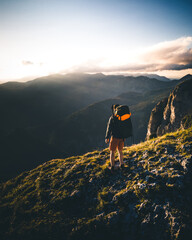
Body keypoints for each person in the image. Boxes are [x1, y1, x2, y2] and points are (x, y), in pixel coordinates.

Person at [105, 104, 132, 172]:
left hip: (114, 137)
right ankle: (122, 164)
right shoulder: (123, 117)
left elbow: (109, 128)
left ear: (115, 110)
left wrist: (107, 137)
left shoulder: (112, 118)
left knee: (112, 152)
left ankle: (112, 166)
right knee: (120, 151)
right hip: (122, 137)